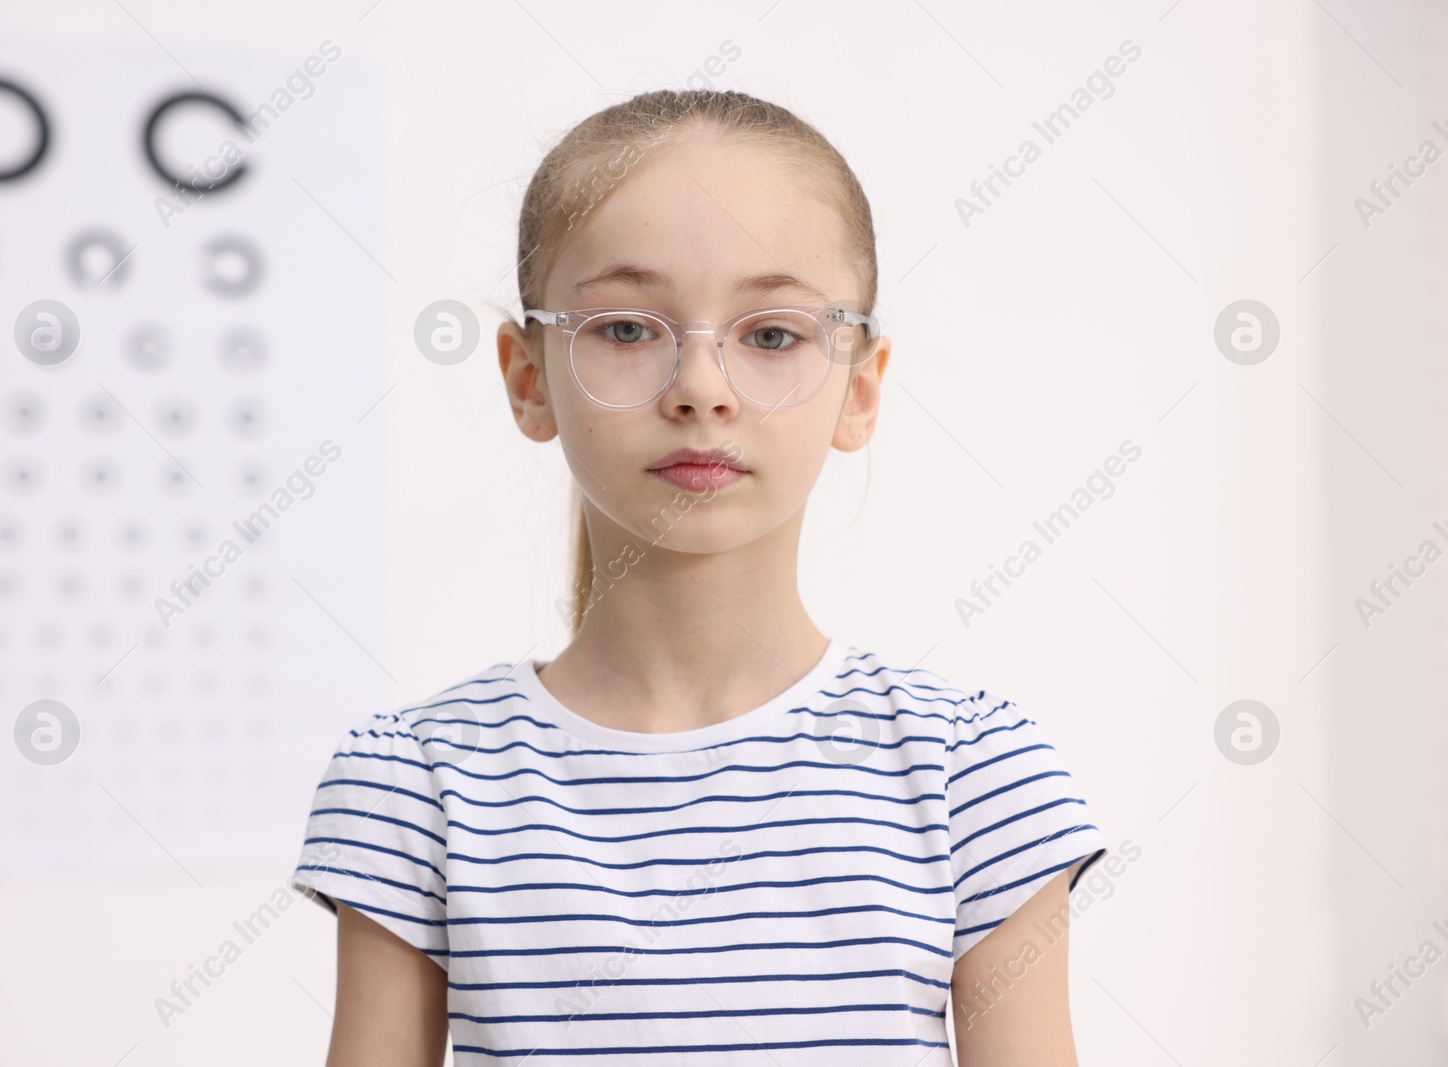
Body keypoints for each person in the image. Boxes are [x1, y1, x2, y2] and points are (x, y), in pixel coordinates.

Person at [292, 88, 1107, 1066]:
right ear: (526, 375)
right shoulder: (417, 782)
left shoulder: (971, 772)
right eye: (627, 328)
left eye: (770, 335)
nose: (701, 387)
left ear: (859, 386)